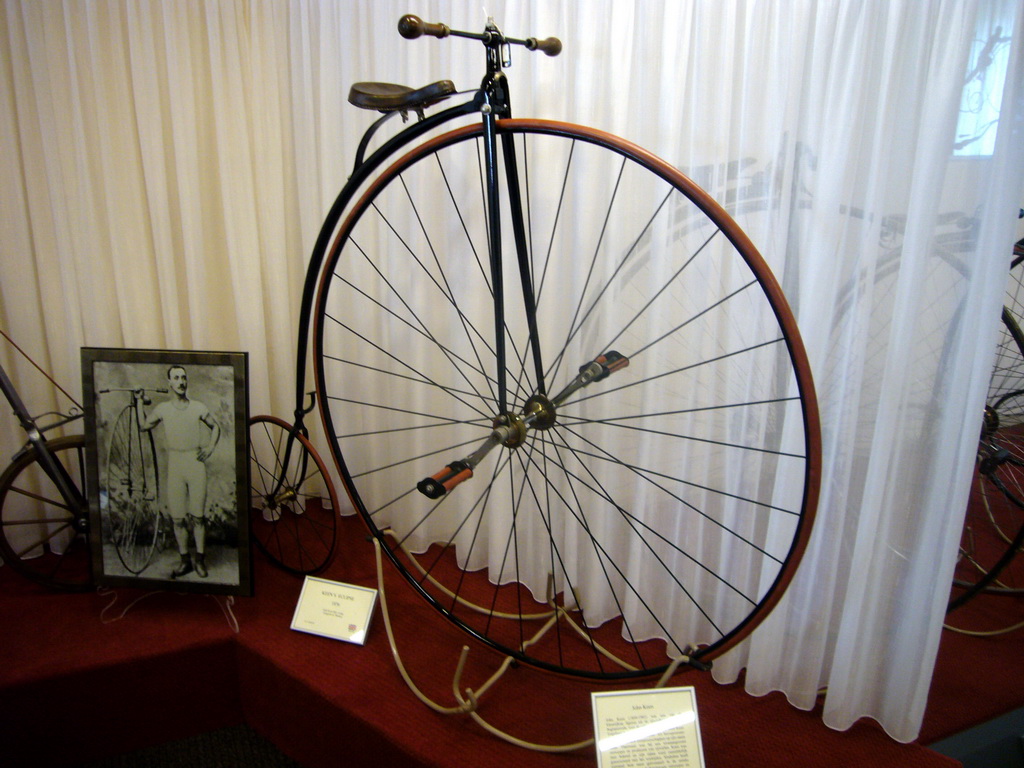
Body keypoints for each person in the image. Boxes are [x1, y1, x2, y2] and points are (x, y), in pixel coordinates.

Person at [140, 365, 221, 579]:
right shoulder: (163, 409)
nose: (181, 381)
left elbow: (216, 427)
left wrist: (210, 448)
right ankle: (185, 561)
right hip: (175, 465)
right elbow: (143, 426)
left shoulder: (197, 407)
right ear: (169, 383)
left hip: (195, 464)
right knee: (177, 518)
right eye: (176, 378)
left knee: (198, 517)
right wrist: (139, 401)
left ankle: (199, 560)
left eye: (183, 377)